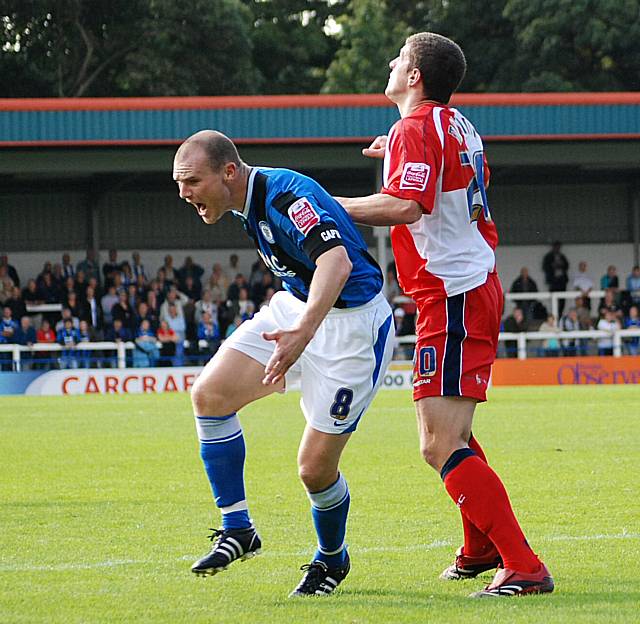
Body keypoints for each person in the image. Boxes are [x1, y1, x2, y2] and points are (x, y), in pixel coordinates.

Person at [335, 32, 553, 598]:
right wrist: (398, 153)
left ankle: (522, 564)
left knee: (438, 442)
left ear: (414, 77)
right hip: (464, 285)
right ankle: (480, 548)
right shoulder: (453, 124)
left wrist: (326, 204)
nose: (390, 62)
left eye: (399, 58)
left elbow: (408, 205)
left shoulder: (417, 127)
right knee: (453, 434)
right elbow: (445, 179)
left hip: (453, 292)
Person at [172, 129, 394, 597]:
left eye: (191, 181)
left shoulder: (288, 194)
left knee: (314, 469)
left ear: (229, 172)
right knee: (209, 396)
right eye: (179, 184)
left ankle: (332, 559)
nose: (184, 193)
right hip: (297, 307)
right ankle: (238, 529)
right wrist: (300, 324)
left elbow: (337, 263)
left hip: (351, 327)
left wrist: (304, 332)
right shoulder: (246, 203)